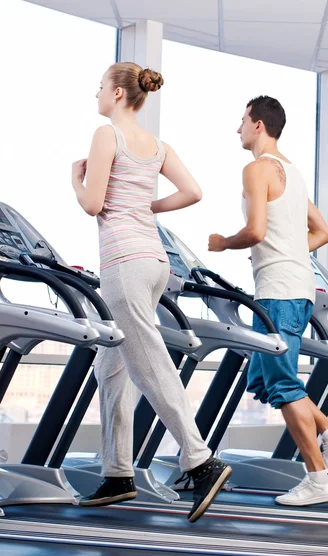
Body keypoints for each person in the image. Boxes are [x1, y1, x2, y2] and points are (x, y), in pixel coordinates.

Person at [71, 62, 231, 522]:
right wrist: (148, 206)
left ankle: (200, 460)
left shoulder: (107, 136)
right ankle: (118, 472)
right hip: (154, 262)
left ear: (119, 94)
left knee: (148, 363)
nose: (97, 94)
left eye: (100, 86)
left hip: (123, 263)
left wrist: (74, 180)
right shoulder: (158, 146)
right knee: (112, 369)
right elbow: (193, 191)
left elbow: (93, 205)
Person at [208, 95, 328, 506]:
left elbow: (255, 231)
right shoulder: (292, 174)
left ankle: (318, 477)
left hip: (279, 291)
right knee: (261, 380)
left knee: (281, 382)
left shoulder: (257, 169)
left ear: (259, 125)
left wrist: (223, 243)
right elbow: (322, 231)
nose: (237, 128)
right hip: (294, 287)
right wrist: (290, 250)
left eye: (242, 120)